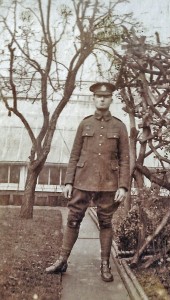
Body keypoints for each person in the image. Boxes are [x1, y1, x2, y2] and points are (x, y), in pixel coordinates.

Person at [45, 82, 130, 282]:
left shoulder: (119, 126)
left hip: (109, 182)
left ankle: (104, 265)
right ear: (93, 99)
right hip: (82, 181)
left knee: (106, 222)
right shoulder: (85, 124)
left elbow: (125, 159)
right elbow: (74, 155)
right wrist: (68, 182)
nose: (102, 99)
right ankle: (62, 260)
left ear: (111, 99)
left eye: (106, 96)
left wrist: (123, 186)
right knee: (73, 219)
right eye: (98, 96)